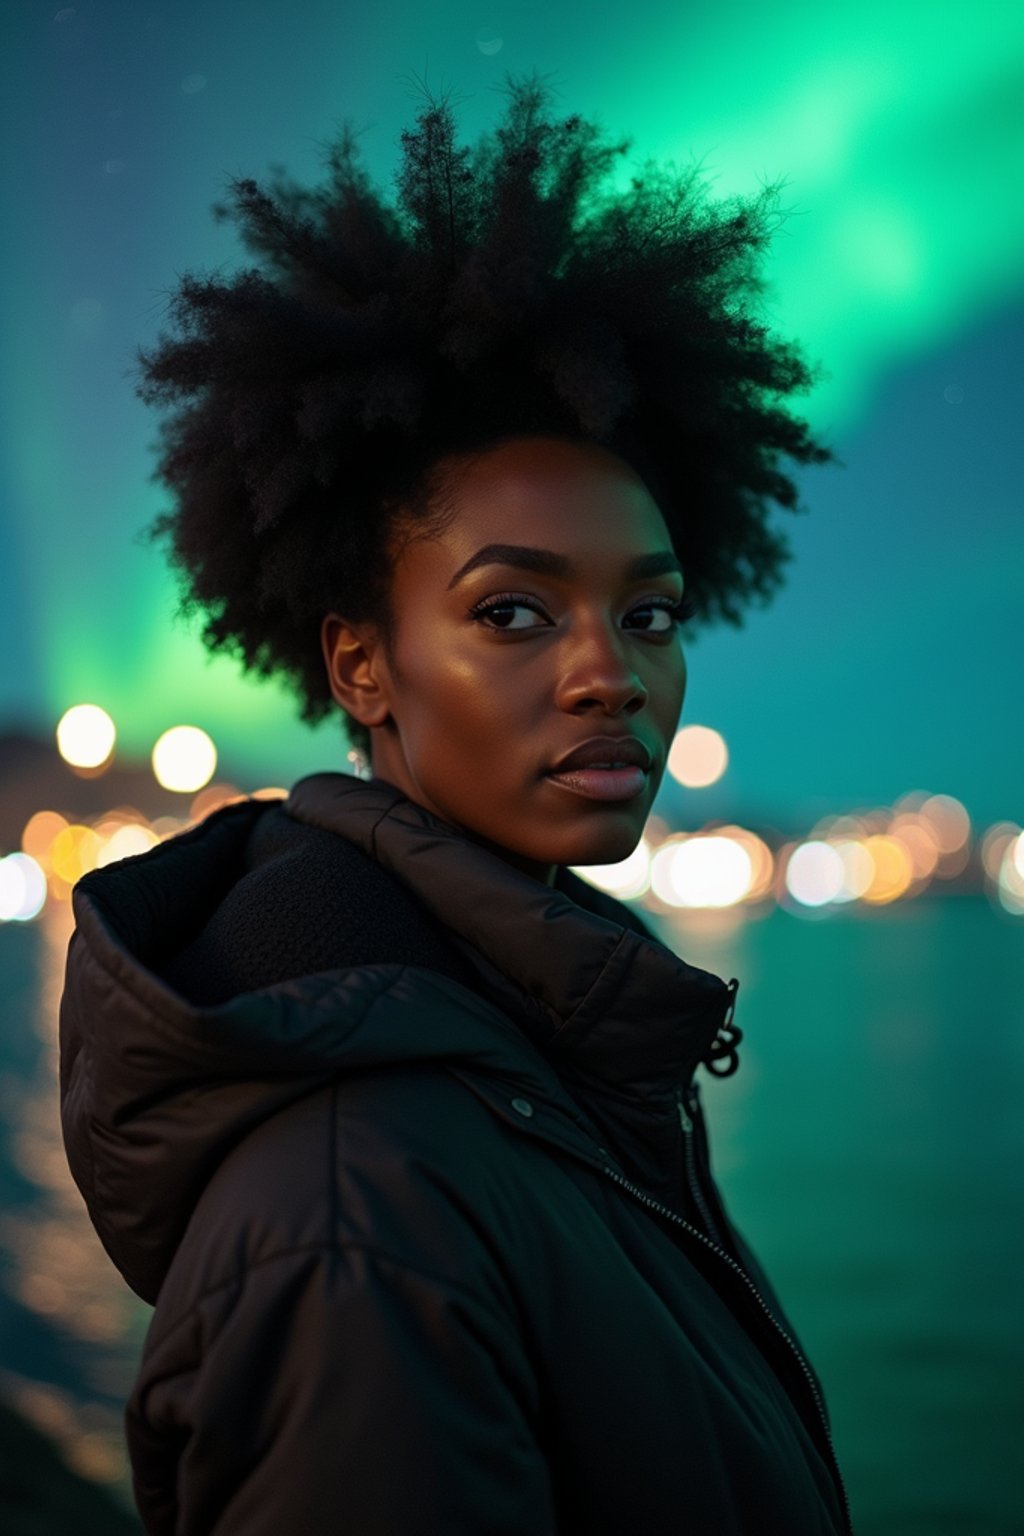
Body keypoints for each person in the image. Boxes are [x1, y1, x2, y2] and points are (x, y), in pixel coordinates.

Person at [59, 70, 851, 1534]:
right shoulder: (357, 1222)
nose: (612, 675)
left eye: (655, 615)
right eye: (512, 614)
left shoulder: (542, 1051)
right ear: (362, 664)